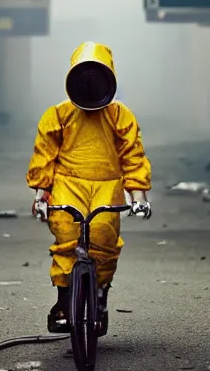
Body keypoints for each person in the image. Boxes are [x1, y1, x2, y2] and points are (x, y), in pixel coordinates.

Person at [26, 41, 152, 335]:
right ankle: (63, 302)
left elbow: (133, 156)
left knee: (104, 243)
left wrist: (139, 196)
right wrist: (41, 195)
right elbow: (45, 156)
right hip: (68, 182)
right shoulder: (58, 115)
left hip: (108, 184)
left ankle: (100, 296)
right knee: (67, 241)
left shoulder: (120, 115)